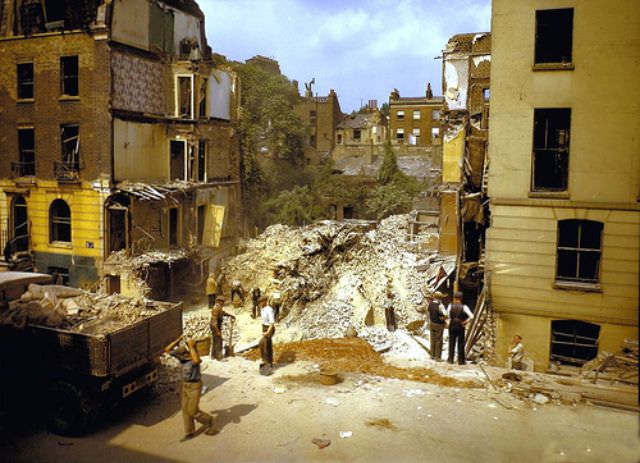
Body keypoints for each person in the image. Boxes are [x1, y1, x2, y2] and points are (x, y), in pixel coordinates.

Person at [164, 334, 215, 441]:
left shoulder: (193, 359)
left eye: (179, 356)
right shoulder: (182, 358)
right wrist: (177, 340)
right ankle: (189, 431)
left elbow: (196, 360)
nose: (177, 357)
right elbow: (167, 350)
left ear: (185, 354)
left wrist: (191, 346)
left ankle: (209, 421)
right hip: (185, 385)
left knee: (192, 410)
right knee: (185, 410)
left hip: (194, 386)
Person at [446, 291, 474, 365]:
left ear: (454, 298)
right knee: (461, 343)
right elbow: (472, 316)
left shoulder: (450, 306)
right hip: (460, 325)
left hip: (452, 324)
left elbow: (447, 315)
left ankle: (450, 359)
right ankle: (461, 361)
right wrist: (465, 322)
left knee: (451, 342)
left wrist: (450, 321)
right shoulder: (464, 307)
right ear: (461, 298)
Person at [210, 296, 236, 360]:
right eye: (222, 301)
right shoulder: (216, 308)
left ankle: (213, 355)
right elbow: (214, 321)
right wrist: (217, 331)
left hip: (216, 325)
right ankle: (219, 357)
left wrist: (230, 315)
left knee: (215, 340)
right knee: (218, 341)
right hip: (215, 326)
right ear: (219, 301)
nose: (223, 303)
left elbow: (222, 313)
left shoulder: (219, 307)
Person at [427, 292, 447, 361]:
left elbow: (428, 313)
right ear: (440, 298)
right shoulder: (440, 305)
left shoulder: (430, 304)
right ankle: (438, 357)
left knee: (432, 340)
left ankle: (432, 355)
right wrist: (444, 318)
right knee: (439, 341)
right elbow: (445, 314)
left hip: (432, 323)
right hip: (439, 324)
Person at [258, 295, 276, 372]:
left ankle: (266, 361)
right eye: (259, 302)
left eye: (261, 302)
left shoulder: (269, 309)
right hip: (264, 327)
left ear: (265, 301)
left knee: (262, 343)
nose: (260, 304)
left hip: (270, 329)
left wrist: (267, 332)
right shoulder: (262, 309)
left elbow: (272, 323)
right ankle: (270, 362)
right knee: (268, 345)